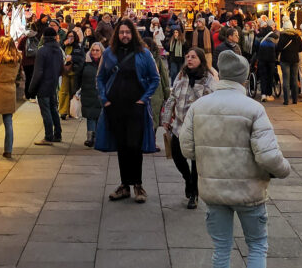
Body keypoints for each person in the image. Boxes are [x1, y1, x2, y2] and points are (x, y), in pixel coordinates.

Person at [179, 50, 291, 268]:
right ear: (244, 77)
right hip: (249, 192)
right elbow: (268, 155)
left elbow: (187, 148)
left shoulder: (199, 106)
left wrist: (208, 158)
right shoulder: (254, 108)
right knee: (257, 244)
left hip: (213, 191)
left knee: (221, 248)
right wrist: (283, 169)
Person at [95, 19, 161, 203]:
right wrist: (105, 100)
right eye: (122, 32)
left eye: (128, 32)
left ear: (133, 34)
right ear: (117, 34)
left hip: (135, 107)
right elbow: (100, 78)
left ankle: (137, 184)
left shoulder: (144, 54)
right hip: (115, 107)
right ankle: (125, 185)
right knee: (122, 146)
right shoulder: (109, 53)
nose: (125, 35)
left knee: (134, 146)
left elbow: (155, 78)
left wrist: (143, 99)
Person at [161, 47, 218, 209]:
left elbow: (213, 102)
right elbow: (173, 97)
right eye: (188, 57)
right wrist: (166, 119)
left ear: (201, 59)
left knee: (195, 161)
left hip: (199, 126)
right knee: (177, 156)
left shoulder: (208, 79)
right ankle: (188, 179)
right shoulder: (182, 75)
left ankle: (194, 193)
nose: (190, 59)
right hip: (179, 125)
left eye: (193, 57)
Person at [29, 26, 64, 145]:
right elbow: (60, 68)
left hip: (43, 85)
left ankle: (48, 137)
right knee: (53, 109)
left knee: (46, 111)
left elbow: (38, 72)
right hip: (53, 84)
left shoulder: (42, 51)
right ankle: (57, 134)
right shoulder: (58, 50)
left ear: (44, 37)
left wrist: (31, 89)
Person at [74, 41, 105, 147]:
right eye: (93, 50)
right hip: (87, 93)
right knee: (90, 116)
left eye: (97, 50)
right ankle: (90, 138)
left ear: (101, 51)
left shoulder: (106, 63)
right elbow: (78, 76)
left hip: (100, 94)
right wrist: (75, 91)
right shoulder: (85, 62)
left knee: (99, 116)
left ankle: (97, 136)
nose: (95, 52)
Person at [275, 21, 302, 105]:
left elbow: (279, 48)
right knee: (294, 79)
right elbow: (301, 49)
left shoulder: (283, 36)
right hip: (295, 59)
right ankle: (295, 100)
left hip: (285, 60)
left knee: (286, 79)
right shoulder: (297, 37)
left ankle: (286, 100)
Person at [255, 30, 279, 101]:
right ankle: (269, 94)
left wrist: (258, 54)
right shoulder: (275, 36)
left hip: (262, 58)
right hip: (271, 59)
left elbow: (256, 46)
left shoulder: (259, 35)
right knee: (270, 76)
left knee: (263, 76)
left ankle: (263, 94)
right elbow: (277, 48)